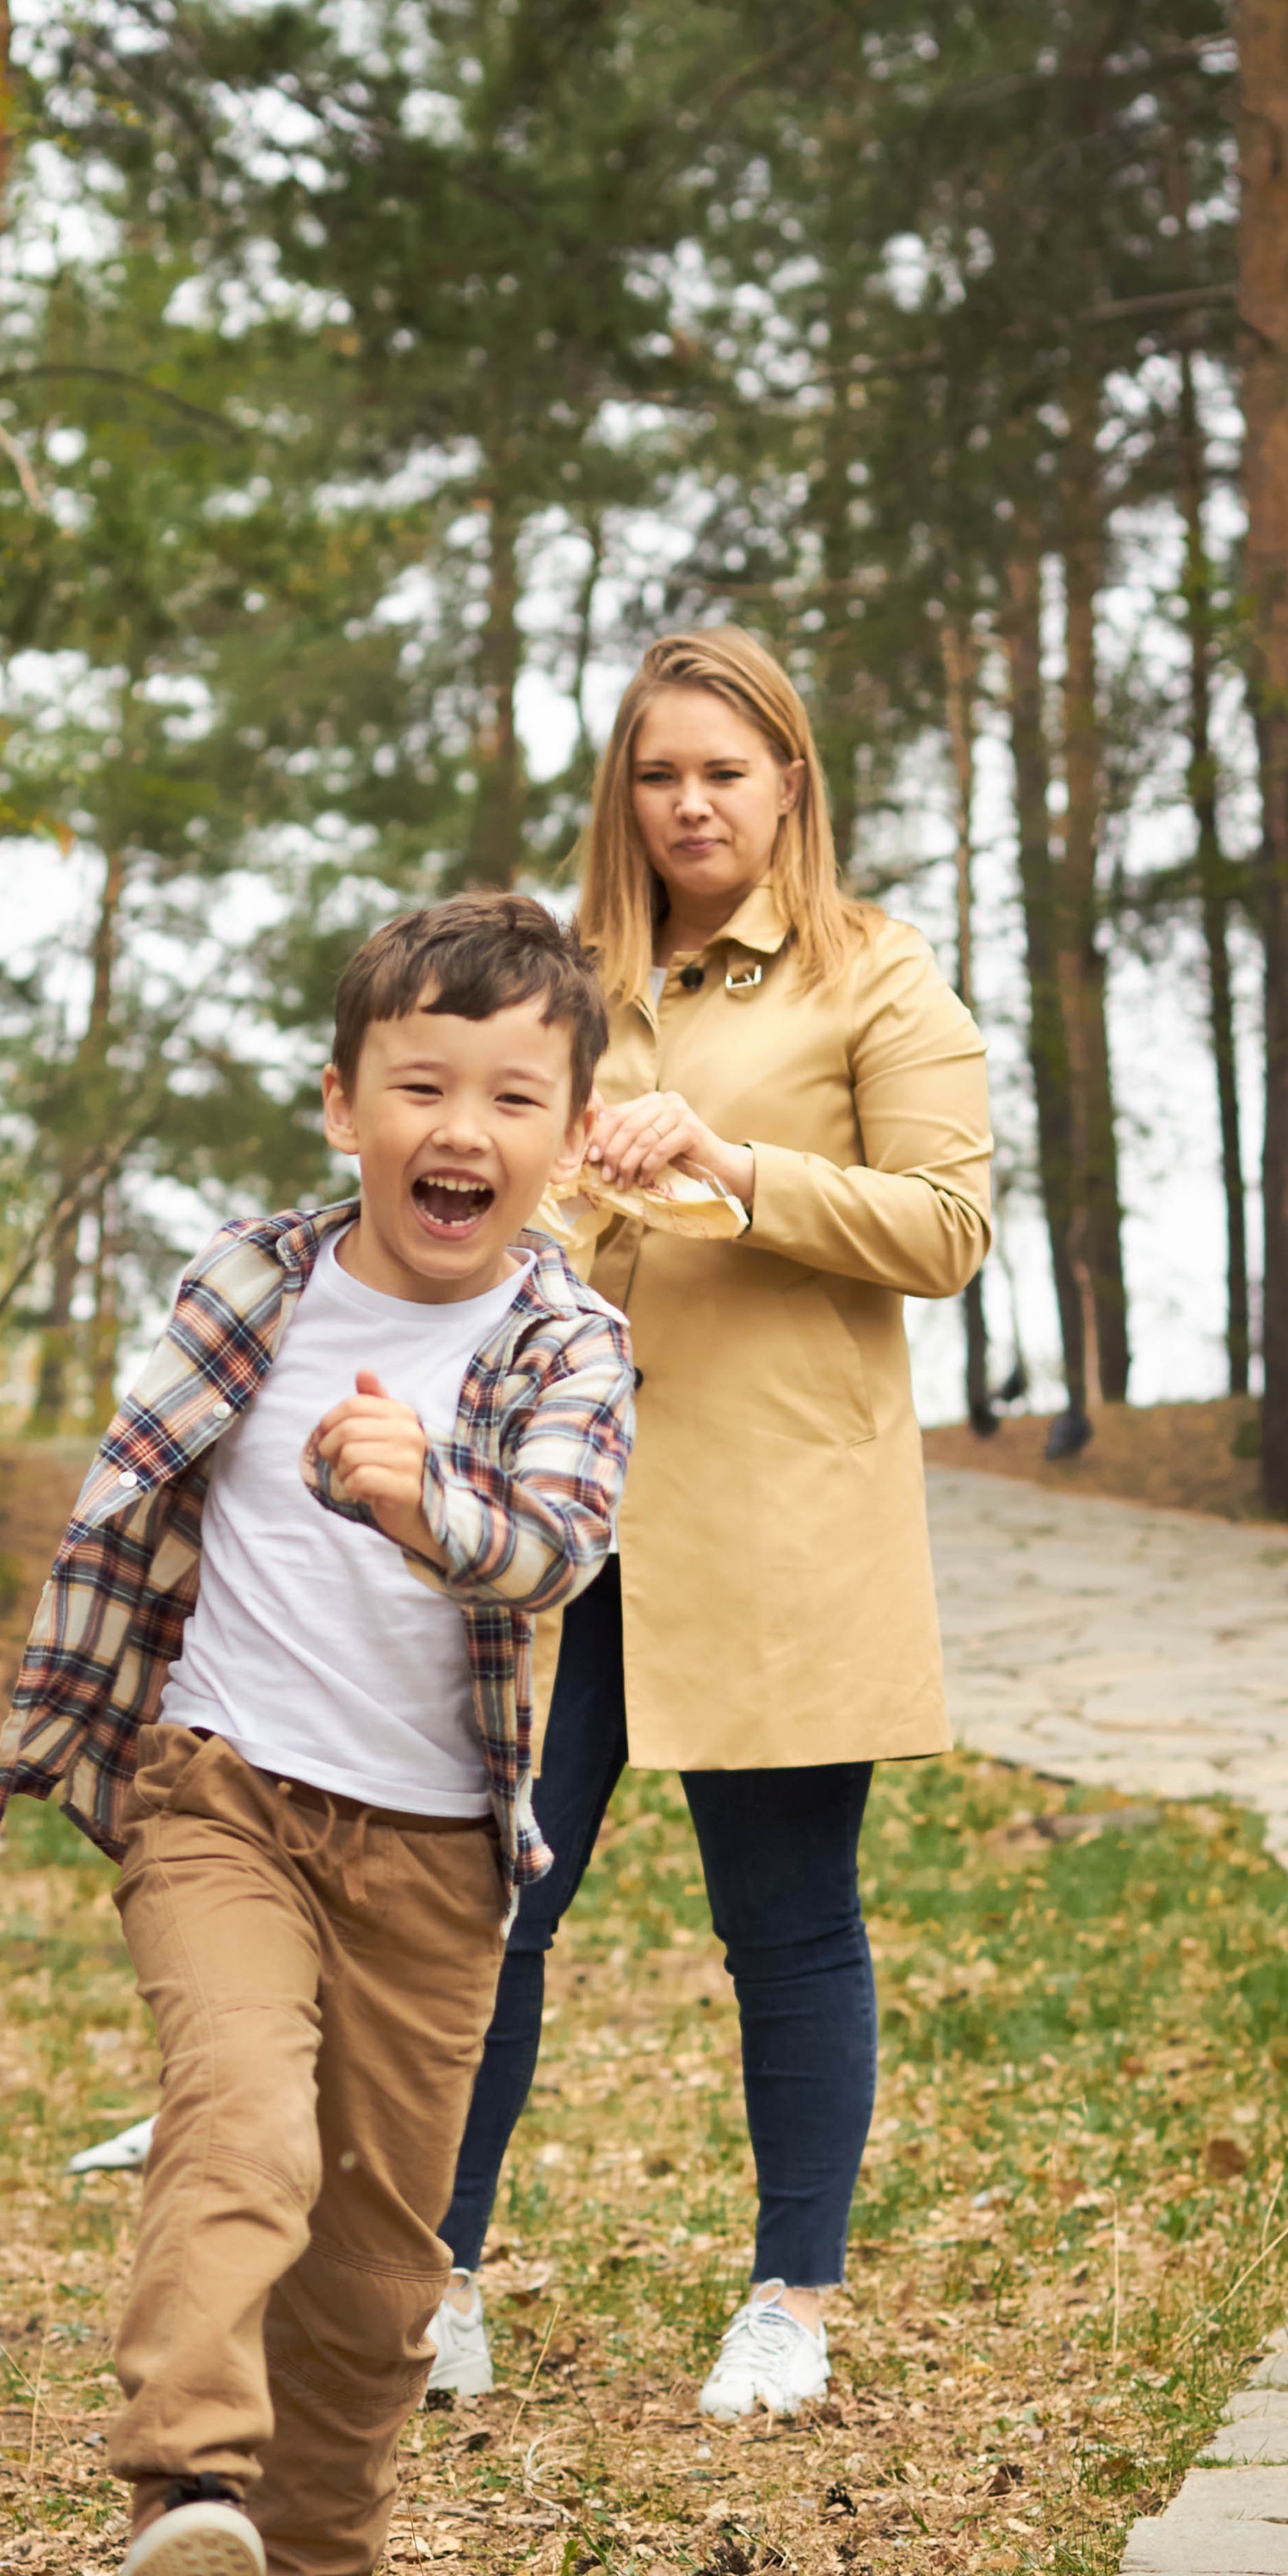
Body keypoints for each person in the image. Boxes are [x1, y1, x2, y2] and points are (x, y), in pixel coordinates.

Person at [0, 893, 632, 2576]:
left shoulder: (570, 1341)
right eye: (420, 1085)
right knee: (239, 2116)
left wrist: (424, 1500)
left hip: (435, 1862)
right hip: (220, 1795)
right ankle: (184, 2491)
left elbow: (554, 1547)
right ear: (343, 1106)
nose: (461, 1130)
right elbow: (128, 1506)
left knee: (376, 2285)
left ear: (571, 1138)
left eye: (512, 1097)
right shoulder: (246, 1285)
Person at [425, 627, 992, 2424]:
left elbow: (946, 1228)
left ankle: (789, 2301)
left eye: (723, 773)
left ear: (787, 785)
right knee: (484, 1904)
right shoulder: (555, 978)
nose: (688, 804)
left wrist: (729, 1167)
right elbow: (457, 1195)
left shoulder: (873, 973)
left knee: (788, 1921)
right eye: (658, 773)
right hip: (552, 1519)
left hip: (772, 1519)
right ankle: (430, 2282)